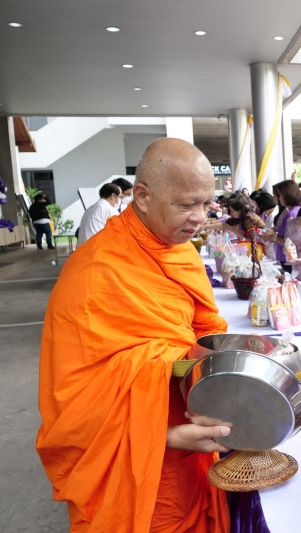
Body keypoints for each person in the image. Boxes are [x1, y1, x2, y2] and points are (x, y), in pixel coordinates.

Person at [37, 138, 231, 532]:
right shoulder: (94, 272)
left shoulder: (182, 251)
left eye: (206, 203)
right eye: (186, 204)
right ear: (142, 196)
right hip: (137, 464)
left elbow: (206, 331)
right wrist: (170, 435)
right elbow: (72, 408)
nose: (199, 217)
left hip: (195, 452)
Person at [264, 180, 301, 273]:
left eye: (280, 195)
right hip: (286, 256)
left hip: (288, 257)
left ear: (287, 194)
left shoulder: (292, 214)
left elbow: (290, 241)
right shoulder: (290, 211)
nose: (279, 198)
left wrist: (272, 237)